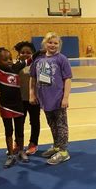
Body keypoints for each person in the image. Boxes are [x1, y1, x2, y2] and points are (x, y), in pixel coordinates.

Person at [30, 32, 72, 165]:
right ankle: (57, 146)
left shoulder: (62, 59)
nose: (53, 45)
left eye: (55, 43)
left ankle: (64, 152)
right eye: (50, 42)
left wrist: (65, 97)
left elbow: (67, 79)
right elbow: (33, 78)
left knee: (61, 125)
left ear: (59, 45)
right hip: (44, 99)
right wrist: (32, 93)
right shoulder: (38, 60)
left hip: (58, 98)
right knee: (52, 124)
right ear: (44, 43)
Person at [14, 41, 41, 156]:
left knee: (34, 122)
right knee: (19, 122)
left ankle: (33, 143)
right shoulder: (15, 66)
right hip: (19, 100)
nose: (25, 54)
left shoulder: (37, 65)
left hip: (34, 99)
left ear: (33, 54)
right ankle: (18, 143)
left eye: (28, 52)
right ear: (18, 54)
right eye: (22, 52)